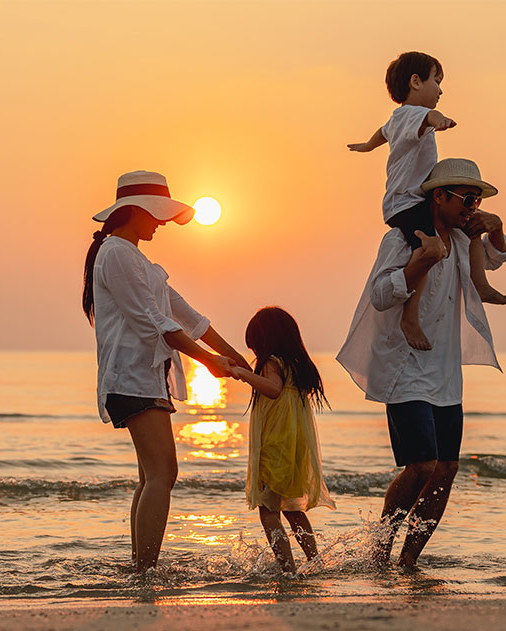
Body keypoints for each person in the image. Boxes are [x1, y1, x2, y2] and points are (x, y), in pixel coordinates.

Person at [336, 158, 506, 568]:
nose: (472, 206)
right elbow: (381, 295)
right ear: (439, 196)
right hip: (404, 368)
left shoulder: (463, 240)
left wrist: (497, 226)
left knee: (446, 467)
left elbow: (495, 258)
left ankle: (408, 561)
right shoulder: (403, 239)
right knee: (421, 465)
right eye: (467, 198)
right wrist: (420, 261)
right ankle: (380, 551)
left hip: (446, 373)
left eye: (477, 199)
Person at [83, 170, 249, 572]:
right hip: (131, 377)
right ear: (135, 210)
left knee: (151, 477)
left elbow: (188, 316)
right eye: (156, 213)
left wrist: (238, 358)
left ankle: (140, 568)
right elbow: (154, 321)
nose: (161, 222)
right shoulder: (117, 253)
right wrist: (209, 362)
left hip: (146, 376)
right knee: (163, 473)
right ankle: (145, 571)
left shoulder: (138, 259)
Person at [347, 51, 506, 352]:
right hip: (406, 203)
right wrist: (442, 120)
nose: (440, 89)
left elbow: (380, 134)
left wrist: (366, 146)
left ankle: (482, 285)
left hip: (411, 201)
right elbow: (429, 117)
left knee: (472, 230)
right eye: (436, 80)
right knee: (428, 250)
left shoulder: (397, 122)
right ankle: (410, 317)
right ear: (415, 81)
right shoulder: (411, 115)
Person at [231, 307, 335, 572]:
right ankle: (315, 562)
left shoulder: (272, 363)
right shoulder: (298, 366)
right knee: (292, 510)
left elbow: (274, 390)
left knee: (268, 509)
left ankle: (286, 567)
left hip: (275, 446)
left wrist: (243, 375)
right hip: (295, 447)